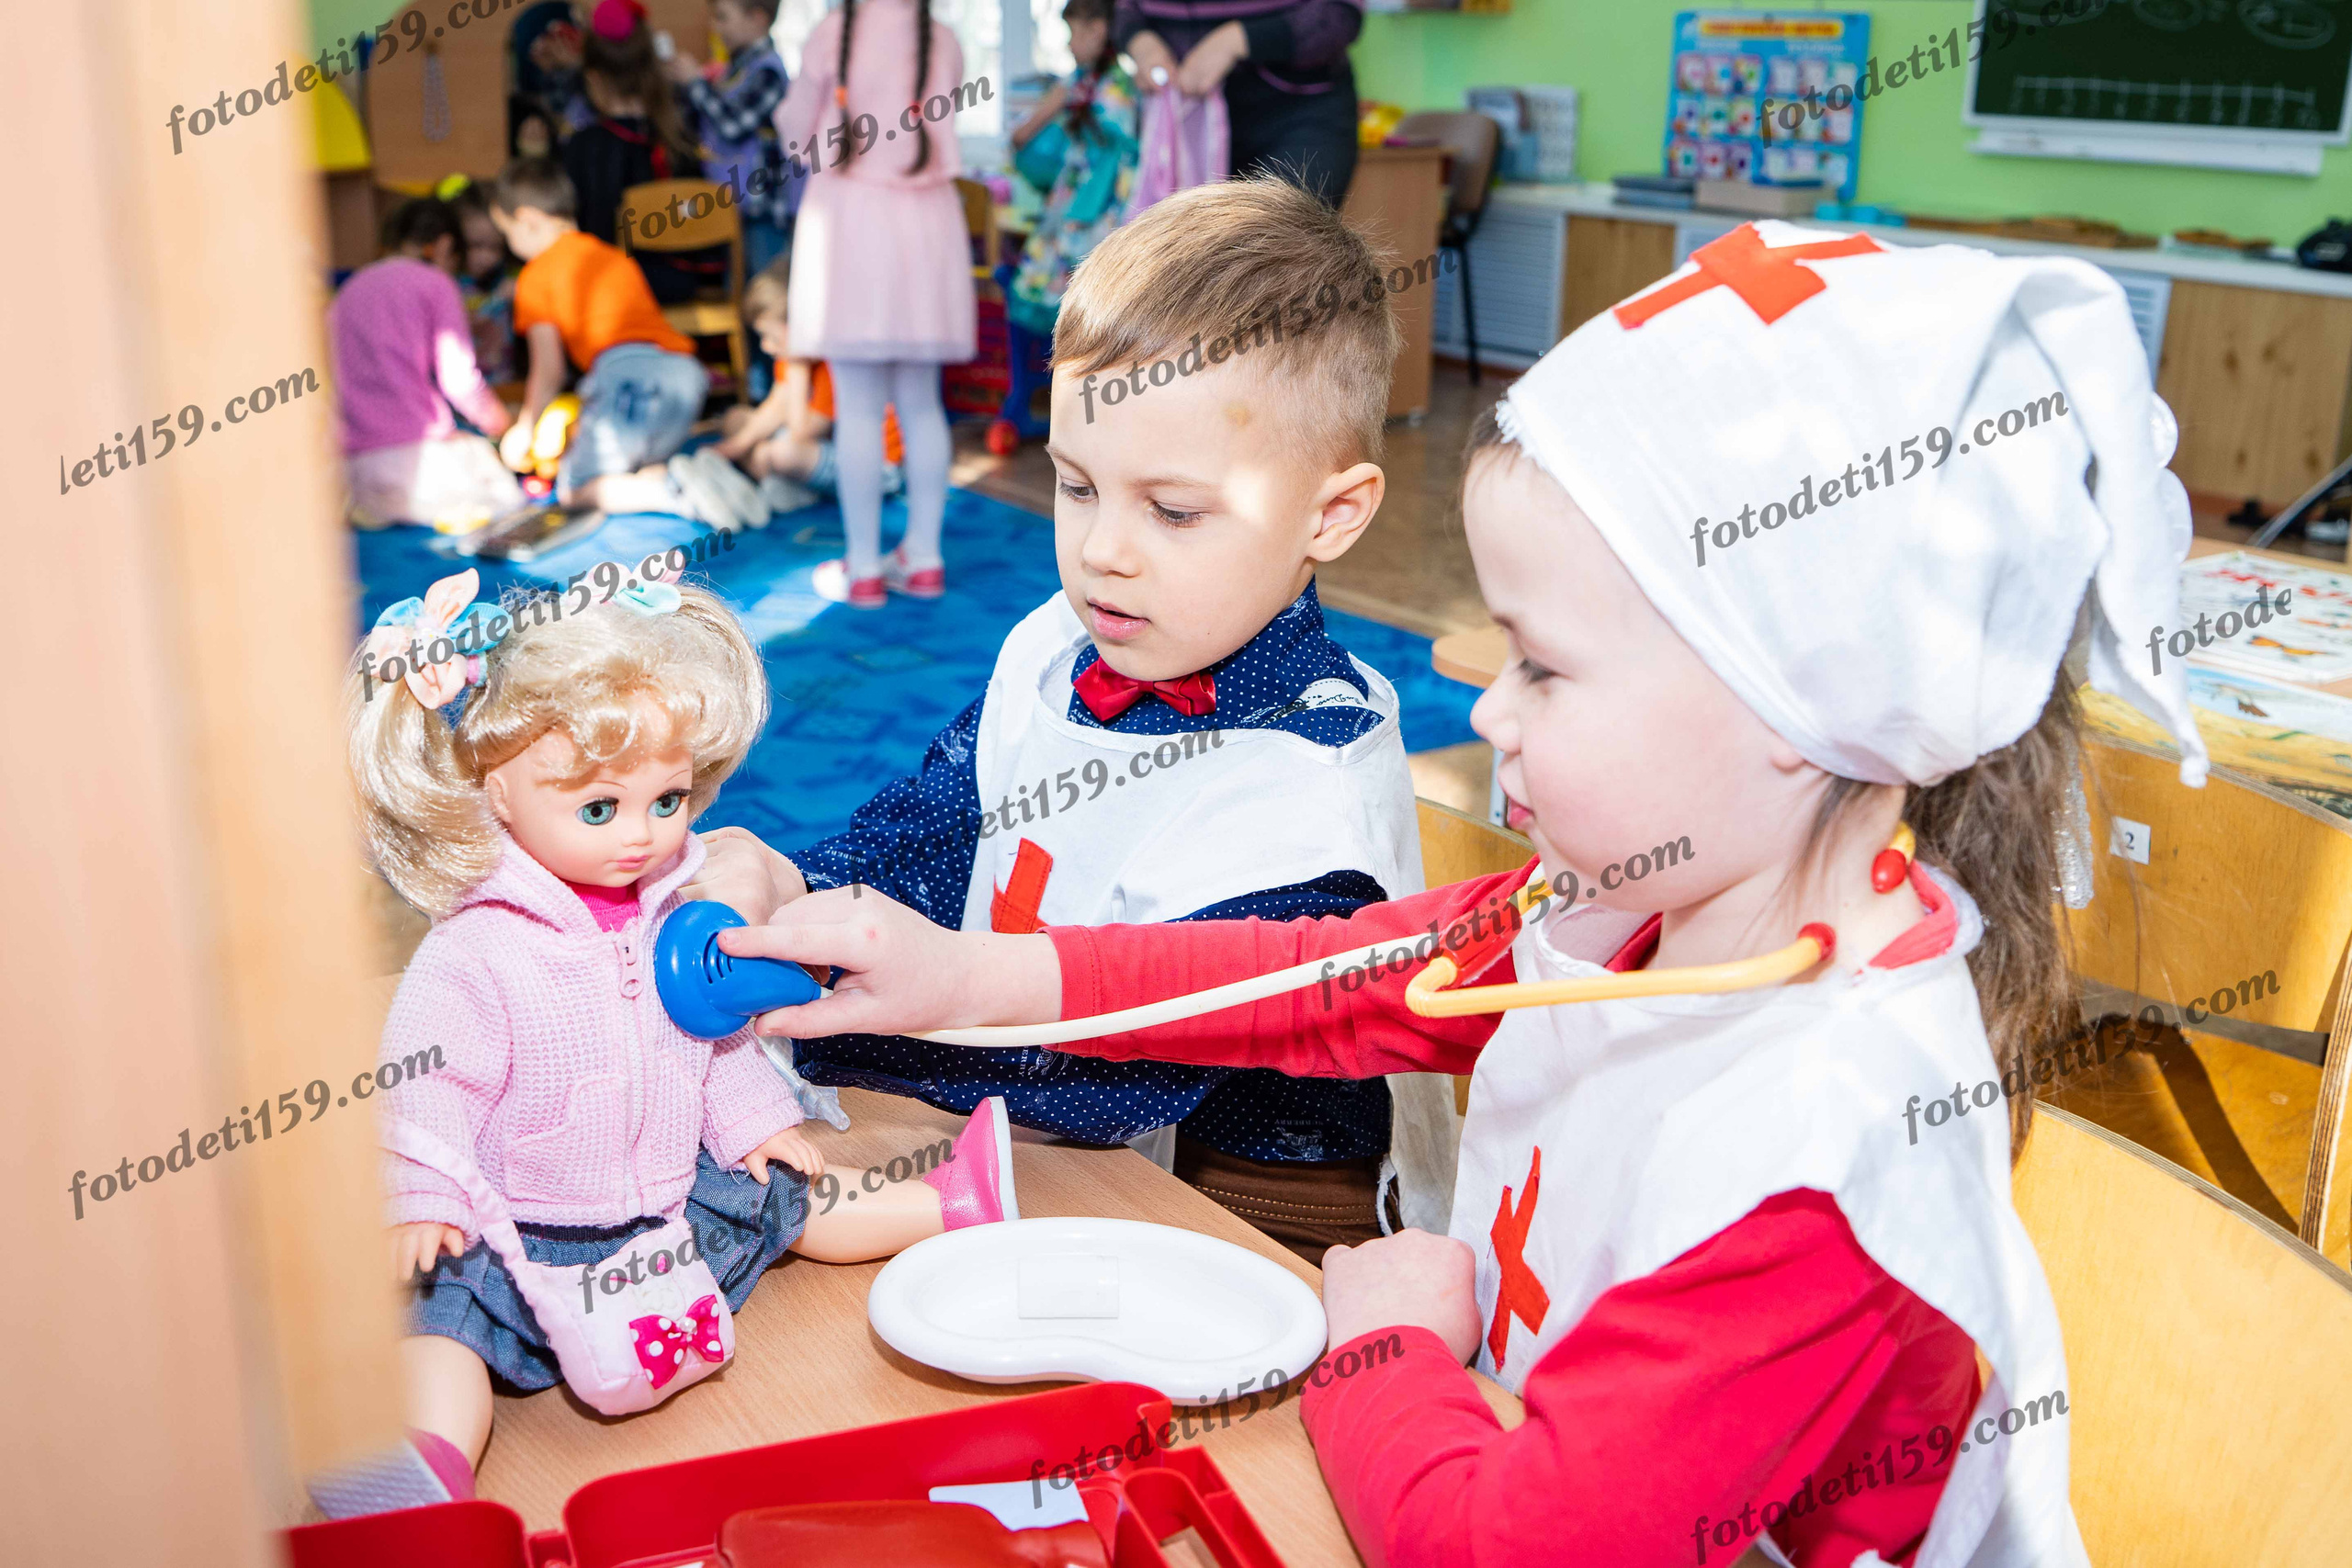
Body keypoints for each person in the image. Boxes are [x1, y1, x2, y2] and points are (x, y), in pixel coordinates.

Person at [707, 220, 2209, 1566]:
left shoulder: (1816, 1162)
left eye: (1545, 667)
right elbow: (1312, 979)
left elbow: (1499, 1544)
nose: (1486, 712)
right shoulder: (1638, 908)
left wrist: (1390, 1346)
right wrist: (964, 977)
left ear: (1794, 707)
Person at [687, 178, 1452, 1261]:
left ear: (1331, 514)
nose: (1101, 552)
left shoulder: (1308, 789)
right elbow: (935, 826)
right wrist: (795, 889)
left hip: (1258, 1215)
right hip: (1038, 1137)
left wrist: (816, 1021)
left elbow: (1110, 1070)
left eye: (1172, 510)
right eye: (1077, 486)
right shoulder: (1060, 645)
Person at [306, 569, 1017, 1519]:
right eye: (600, 809)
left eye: (669, 799)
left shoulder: (668, 914)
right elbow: (430, 1092)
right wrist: (426, 1199)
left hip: (667, 1198)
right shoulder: (474, 951)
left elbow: (711, 1042)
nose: (641, 837)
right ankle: (427, 1466)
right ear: (495, 791)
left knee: (790, 1197)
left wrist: (757, 1124)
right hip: (523, 1226)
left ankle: (954, 1203)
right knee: (440, 1317)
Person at [770, 0, 973, 606]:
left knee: (857, 410)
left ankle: (862, 569)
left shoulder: (831, 34)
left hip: (851, 230)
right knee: (923, 404)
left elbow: (795, 134)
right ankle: (925, 558)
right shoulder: (943, 39)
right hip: (925, 230)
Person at [489, 157, 753, 527]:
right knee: (633, 469)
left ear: (527, 219)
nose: (510, 245)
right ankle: (708, 477)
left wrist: (525, 427)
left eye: (507, 233)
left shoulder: (535, 275)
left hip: (631, 381)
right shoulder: (612, 256)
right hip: (686, 378)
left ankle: (678, 491)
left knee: (576, 488)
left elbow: (549, 371)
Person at [327, 197, 523, 529]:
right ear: (444, 246)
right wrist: (503, 425)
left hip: (355, 473)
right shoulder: (435, 283)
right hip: (420, 464)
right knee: (509, 500)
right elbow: (460, 381)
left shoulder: (347, 292)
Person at [1118, 0, 1363, 208]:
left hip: (1296, 113)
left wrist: (1239, 40)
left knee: (1273, 235)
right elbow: (1120, 10)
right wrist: (1136, 38)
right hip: (1177, 125)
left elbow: (1340, 13)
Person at [712, 257, 905, 514]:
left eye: (771, 337)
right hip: (824, 446)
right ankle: (778, 482)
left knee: (779, 453)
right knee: (736, 419)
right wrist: (735, 446)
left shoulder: (832, 364)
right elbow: (775, 407)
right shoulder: (790, 355)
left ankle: (779, 484)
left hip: (875, 467)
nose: (765, 346)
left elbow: (801, 434)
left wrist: (798, 369)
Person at [1006, 0, 1139, 339]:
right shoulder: (1114, 85)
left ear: (1098, 30)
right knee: (1092, 315)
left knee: (1077, 305)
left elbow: (1021, 135)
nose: (1068, 43)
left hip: (1089, 207)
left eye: (1072, 32)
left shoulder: (1085, 86)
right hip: (1099, 205)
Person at [566, 0, 713, 305]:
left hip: (617, 289)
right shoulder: (680, 138)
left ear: (593, 78)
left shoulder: (584, 147)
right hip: (682, 283)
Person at [439, 176, 521, 387]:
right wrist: (497, 300)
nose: (485, 257)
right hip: (460, 388)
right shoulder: (445, 282)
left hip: (503, 384)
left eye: (495, 248)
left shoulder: (508, 277)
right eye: (474, 246)